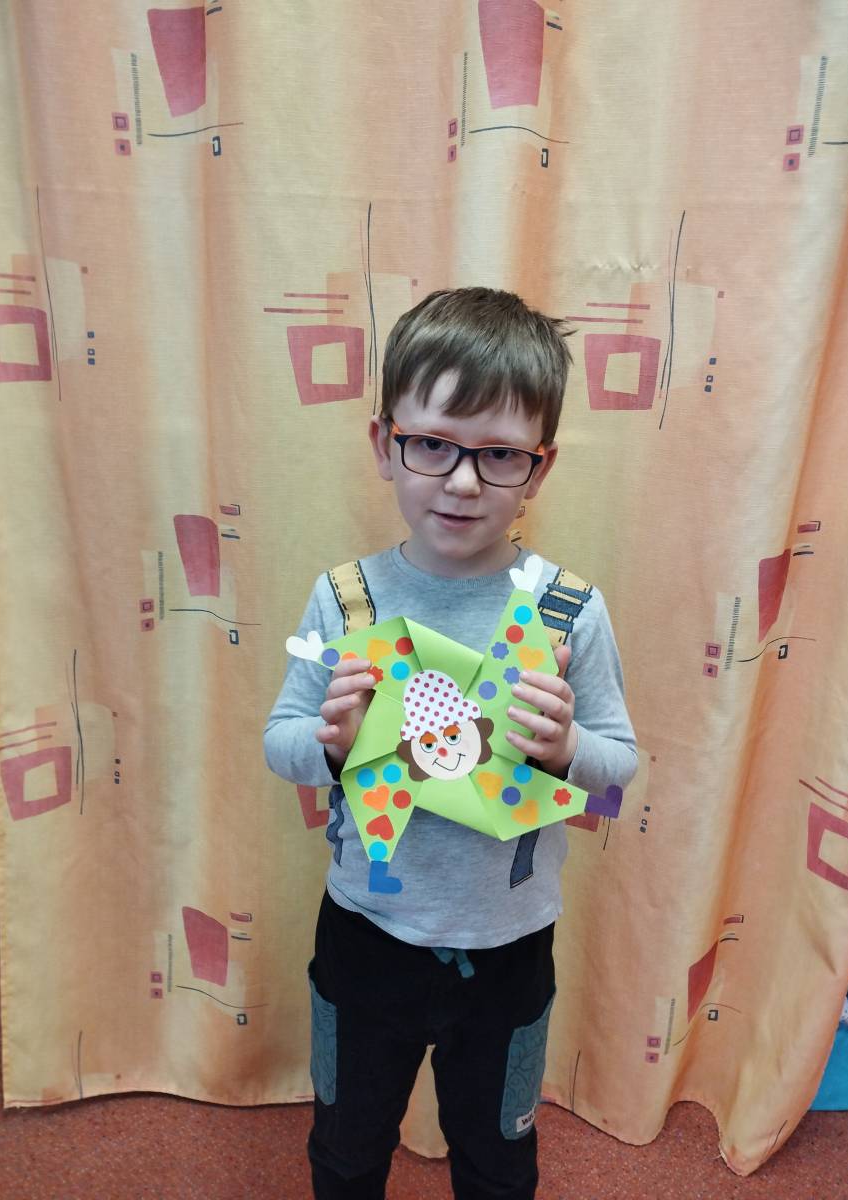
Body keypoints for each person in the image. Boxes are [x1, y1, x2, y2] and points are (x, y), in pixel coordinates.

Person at [264, 287, 637, 1200]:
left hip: (510, 945)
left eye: (499, 455)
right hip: (365, 932)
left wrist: (565, 751)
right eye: (432, 444)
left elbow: (618, 769)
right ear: (383, 443)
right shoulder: (346, 600)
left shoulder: (567, 611)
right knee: (346, 1150)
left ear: (539, 469)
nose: (463, 482)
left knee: (498, 1161)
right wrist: (330, 743)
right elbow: (280, 741)